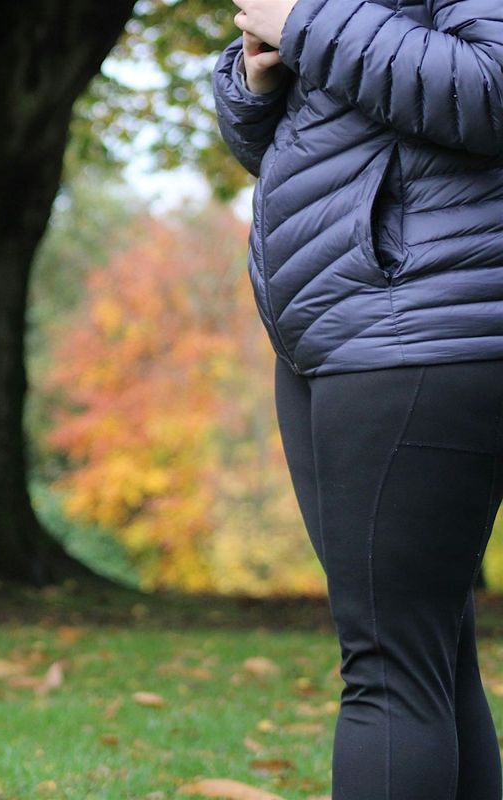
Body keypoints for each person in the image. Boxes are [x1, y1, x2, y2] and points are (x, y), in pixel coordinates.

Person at [212, 1, 503, 798]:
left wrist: (303, 19)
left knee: (390, 668)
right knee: (428, 655)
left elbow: (490, 89)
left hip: (423, 322)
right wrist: (254, 79)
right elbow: (300, 156)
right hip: (337, 330)